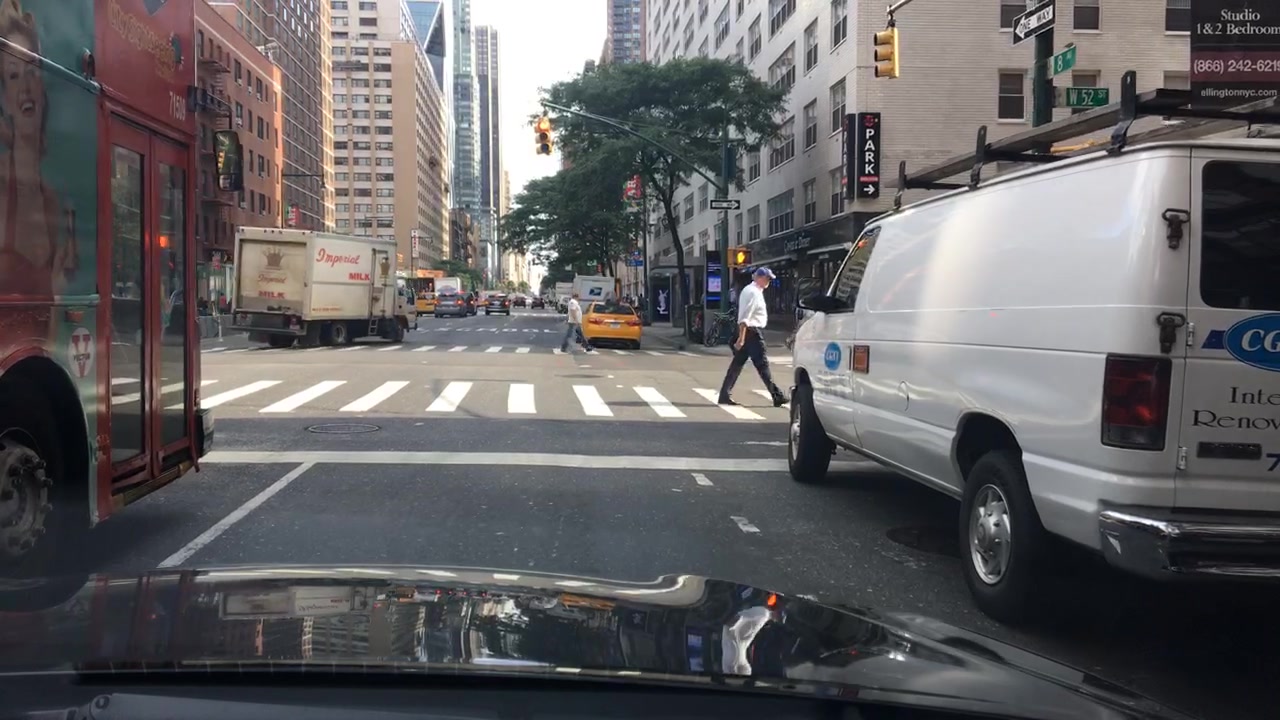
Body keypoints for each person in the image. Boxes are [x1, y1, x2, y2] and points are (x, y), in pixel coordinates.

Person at [718, 267, 787, 407]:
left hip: (748, 332)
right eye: (767, 278)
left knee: (737, 365)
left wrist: (741, 337)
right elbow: (745, 316)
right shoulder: (753, 292)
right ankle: (777, 395)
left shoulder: (752, 291)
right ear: (759, 278)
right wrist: (741, 338)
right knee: (762, 365)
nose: (768, 281)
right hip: (752, 332)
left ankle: (724, 394)